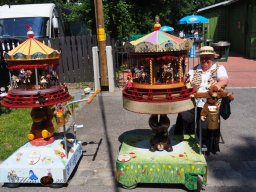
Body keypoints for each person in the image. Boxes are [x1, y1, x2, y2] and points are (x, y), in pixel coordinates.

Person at [174, 46, 229, 155]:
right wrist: (188, 87)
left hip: (210, 102)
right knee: (183, 114)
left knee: (205, 124)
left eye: (207, 58)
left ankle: (205, 144)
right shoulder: (193, 70)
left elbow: (224, 80)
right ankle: (182, 140)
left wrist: (216, 85)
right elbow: (187, 83)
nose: (205, 60)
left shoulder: (219, 68)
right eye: (202, 57)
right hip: (194, 101)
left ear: (212, 58)